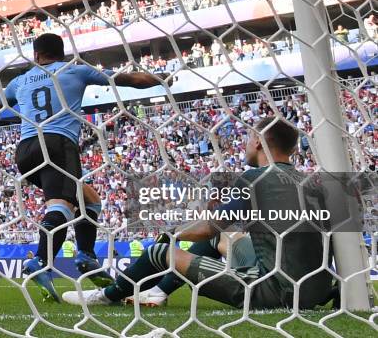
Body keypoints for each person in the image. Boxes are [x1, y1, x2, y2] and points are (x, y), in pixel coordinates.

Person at [0, 33, 167, 301]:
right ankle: (41, 262)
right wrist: (162, 79)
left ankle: (86, 256)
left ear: (36, 55)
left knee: (90, 200)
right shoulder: (75, 71)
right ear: (62, 52)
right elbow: (130, 80)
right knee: (62, 205)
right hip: (57, 144)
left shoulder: (19, 81)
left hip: (25, 151)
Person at [63, 117, 335, 310]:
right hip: (315, 289)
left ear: (260, 142)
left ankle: (107, 295)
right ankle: (158, 292)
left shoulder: (254, 178)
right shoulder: (312, 183)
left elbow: (209, 227)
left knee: (163, 251)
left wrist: (172, 232)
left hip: (274, 290)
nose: (245, 145)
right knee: (224, 238)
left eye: (249, 138)